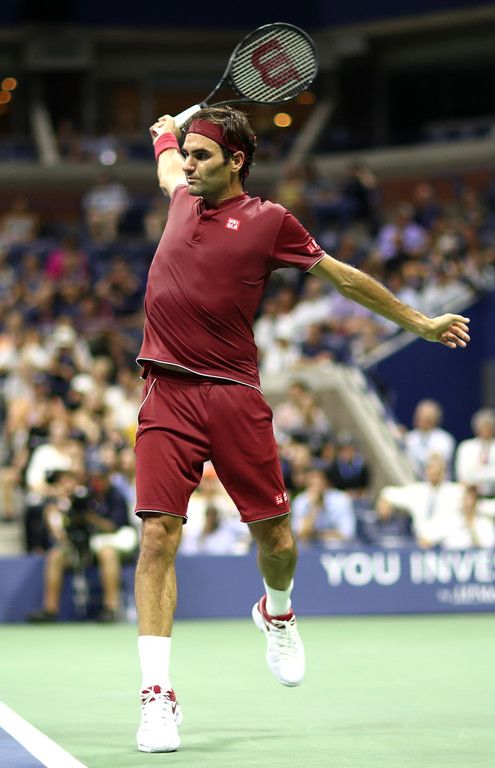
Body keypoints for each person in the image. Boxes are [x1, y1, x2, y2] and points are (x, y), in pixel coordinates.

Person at [133, 105, 470, 753]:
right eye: (188, 156)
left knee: (277, 539)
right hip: (165, 392)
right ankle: (156, 696)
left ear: (236, 161)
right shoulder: (181, 195)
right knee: (156, 535)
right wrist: (164, 136)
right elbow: (167, 165)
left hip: (234, 395)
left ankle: (277, 610)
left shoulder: (269, 221)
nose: (189, 166)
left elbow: (344, 279)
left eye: (204, 156)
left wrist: (420, 323)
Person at [404, 399, 457, 480]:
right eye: (418, 414)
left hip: (438, 484)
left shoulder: (445, 439)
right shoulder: (410, 437)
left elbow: (436, 462)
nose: (420, 417)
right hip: (412, 482)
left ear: (434, 419)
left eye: (425, 415)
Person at [454, 408, 495, 499]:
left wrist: (476, 473)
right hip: (471, 497)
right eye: (483, 426)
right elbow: (463, 476)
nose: (486, 429)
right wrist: (489, 473)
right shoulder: (466, 447)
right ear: (476, 428)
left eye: (489, 426)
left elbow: (471, 475)